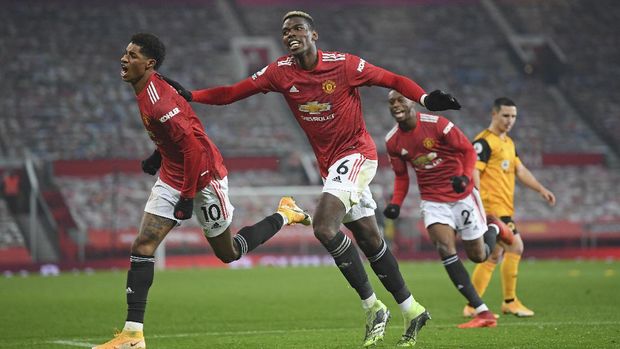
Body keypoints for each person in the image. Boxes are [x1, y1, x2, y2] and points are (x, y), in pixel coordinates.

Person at [164, 10, 462, 347]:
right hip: (331, 166)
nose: (291, 34)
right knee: (368, 238)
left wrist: (424, 98)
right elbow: (234, 92)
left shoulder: (344, 65)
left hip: (357, 154)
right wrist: (192, 96)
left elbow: (392, 79)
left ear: (313, 35)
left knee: (323, 227)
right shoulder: (279, 72)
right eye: (285, 30)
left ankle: (374, 308)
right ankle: (412, 309)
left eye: (298, 29)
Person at [93, 33, 311, 349]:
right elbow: (178, 135)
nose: (124, 59)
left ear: (149, 64)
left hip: (205, 177)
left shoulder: (159, 101)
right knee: (143, 245)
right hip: (173, 173)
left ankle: (285, 213)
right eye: (125, 53)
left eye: (132, 55)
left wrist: (185, 198)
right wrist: (158, 157)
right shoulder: (148, 89)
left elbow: (194, 149)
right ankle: (132, 335)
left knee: (228, 253)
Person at [383, 90, 515, 329]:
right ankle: (482, 311)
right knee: (445, 249)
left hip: (462, 195)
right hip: (433, 201)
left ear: (412, 102)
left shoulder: (438, 124)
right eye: (391, 102)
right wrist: (395, 203)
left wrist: (464, 178)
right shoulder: (392, 141)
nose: (395, 105)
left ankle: (493, 226)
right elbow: (401, 177)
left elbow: (467, 151)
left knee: (479, 255)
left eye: (400, 100)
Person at [463, 97, 556, 318]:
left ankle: (472, 305)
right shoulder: (484, 142)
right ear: (493, 114)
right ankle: (510, 301)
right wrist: (478, 204)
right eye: (505, 115)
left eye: (513, 116)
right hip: (492, 210)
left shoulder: (508, 143)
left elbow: (520, 170)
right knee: (516, 247)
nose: (510, 120)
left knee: (493, 256)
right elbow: (474, 171)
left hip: (504, 209)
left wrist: (541, 189)